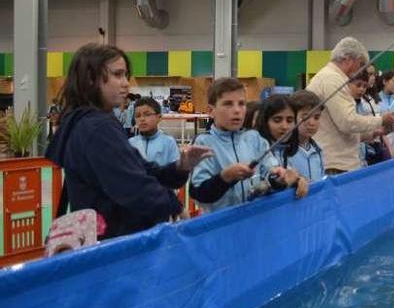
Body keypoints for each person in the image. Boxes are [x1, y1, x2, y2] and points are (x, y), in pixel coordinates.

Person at [45, 44, 212, 239]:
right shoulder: (97, 128)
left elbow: (142, 170)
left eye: (125, 75)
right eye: (117, 75)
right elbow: (132, 186)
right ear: (91, 79)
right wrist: (172, 205)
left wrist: (180, 167)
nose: (126, 83)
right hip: (116, 243)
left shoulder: (83, 122)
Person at [190, 78, 306, 213]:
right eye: (228, 104)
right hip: (220, 227)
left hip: (255, 223)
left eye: (241, 104)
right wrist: (225, 177)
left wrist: (281, 176)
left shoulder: (254, 139)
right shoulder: (203, 143)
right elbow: (199, 193)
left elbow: (270, 173)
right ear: (211, 111)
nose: (237, 110)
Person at [306, 37, 394, 174]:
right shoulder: (332, 78)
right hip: (335, 165)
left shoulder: (333, 78)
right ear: (348, 59)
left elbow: (343, 129)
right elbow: (347, 122)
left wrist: (376, 132)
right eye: (361, 64)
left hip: (340, 162)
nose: (362, 70)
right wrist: (381, 119)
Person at [129, 97, 180, 167]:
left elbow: (176, 170)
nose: (142, 119)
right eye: (138, 116)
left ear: (159, 117)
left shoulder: (169, 142)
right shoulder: (131, 143)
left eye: (147, 114)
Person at [289, 90, 327, 181]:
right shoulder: (284, 151)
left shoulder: (318, 149)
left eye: (316, 117)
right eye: (305, 117)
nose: (312, 123)